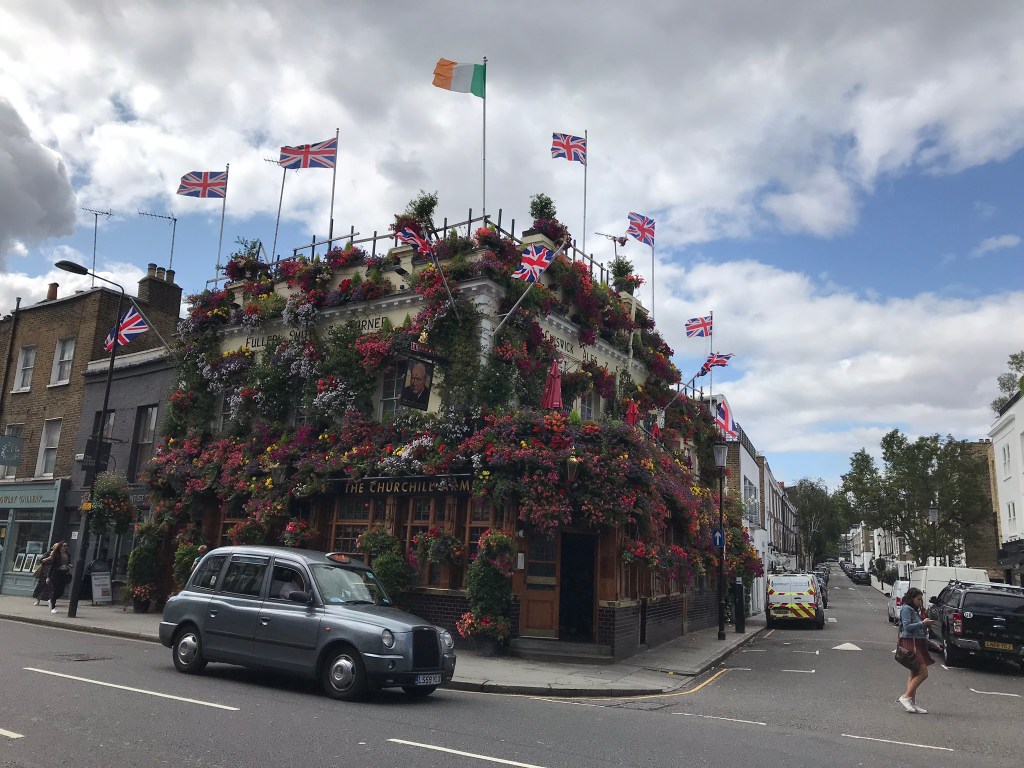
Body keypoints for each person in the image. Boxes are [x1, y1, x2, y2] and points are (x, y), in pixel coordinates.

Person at [897, 586, 935, 713]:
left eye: (921, 600)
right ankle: (905, 697)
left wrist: (931, 643)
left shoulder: (913, 610)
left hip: (917, 642)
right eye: (918, 599)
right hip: (909, 642)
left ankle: (912, 703)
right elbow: (907, 627)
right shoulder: (906, 609)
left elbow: (919, 631)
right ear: (911, 598)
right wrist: (923, 623)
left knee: (914, 673)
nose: (920, 602)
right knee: (923, 673)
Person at [43, 542, 71, 614]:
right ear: (60, 547)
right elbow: (52, 566)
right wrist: (48, 577)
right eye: (64, 546)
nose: (66, 547)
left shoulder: (67, 554)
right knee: (55, 590)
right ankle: (53, 607)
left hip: (63, 574)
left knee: (61, 591)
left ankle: (51, 600)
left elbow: (68, 563)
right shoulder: (56, 555)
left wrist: (69, 566)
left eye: (66, 546)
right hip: (55, 575)